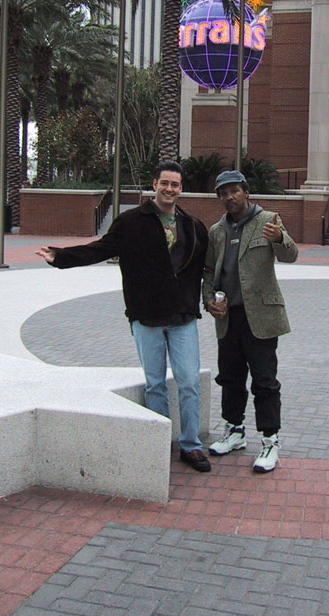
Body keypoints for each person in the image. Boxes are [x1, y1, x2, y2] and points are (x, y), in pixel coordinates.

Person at [35, 160, 211, 473]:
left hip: (182, 316)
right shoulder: (131, 222)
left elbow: (206, 267)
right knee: (154, 384)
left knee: (189, 383)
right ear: (154, 185)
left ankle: (191, 445)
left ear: (181, 189)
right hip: (146, 316)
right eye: (164, 183)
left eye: (175, 184)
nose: (169, 189)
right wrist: (61, 256)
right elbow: (100, 249)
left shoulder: (193, 225)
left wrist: (213, 298)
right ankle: (157, 443)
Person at [202, 170, 298, 473]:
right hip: (229, 318)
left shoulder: (268, 220)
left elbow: (291, 255)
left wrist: (279, 238)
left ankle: (270, 441)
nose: (229, 197)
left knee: (264, 381)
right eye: (223, 192)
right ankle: (234, 431)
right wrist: (208, 299)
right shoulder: (217, 231)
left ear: (246, 192)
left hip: (261, 316)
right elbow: (208, 270)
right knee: (230, 378)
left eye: (234, 190)